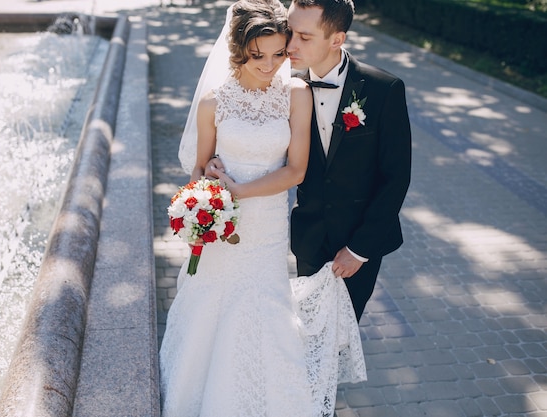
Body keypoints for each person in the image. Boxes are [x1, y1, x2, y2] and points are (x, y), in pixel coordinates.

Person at [160, 0, 365, 416]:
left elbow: (295, 171)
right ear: (238, 49)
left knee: (266, 312)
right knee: (211, 308)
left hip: (266, 228)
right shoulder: (213, 104)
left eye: (278, 53)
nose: (270, 65)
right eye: (258, 56)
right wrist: (208, 185)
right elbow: (199, 171)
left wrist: (239, 189)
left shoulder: (296, 95)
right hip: (223, 232)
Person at [286, 0, 412, 322]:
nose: (290, 44)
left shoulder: (385, 90)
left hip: (359, 242)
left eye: (304, 36)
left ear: (337, 40)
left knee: (342, 336)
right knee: (307, 334)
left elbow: (395, 178)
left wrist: (359, 250)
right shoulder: (284, 88)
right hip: (309, 238)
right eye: (290, 31)